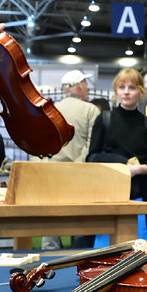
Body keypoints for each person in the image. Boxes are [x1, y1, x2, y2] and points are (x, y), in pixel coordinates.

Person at [88, 68, 147, 239]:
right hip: (108, 192)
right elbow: (91, 157)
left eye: (132, 87)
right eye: (122, 87)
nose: (126, 92)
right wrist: (120, 163)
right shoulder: (104, 119)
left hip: (140, 193)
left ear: (140, 91)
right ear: (116, 91)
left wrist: (138, 169)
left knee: (140, 248)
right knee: (105, 249)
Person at [40, 70, 100, 250]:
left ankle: (48, 256)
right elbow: (92, 143)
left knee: (51, 216)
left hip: (52, 172)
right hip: (79, 172)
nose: (87, 89)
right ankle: (79, 255)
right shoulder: (90, 110)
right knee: (79, 217)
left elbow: (41, 142)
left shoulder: (50, 110)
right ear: (79, 86)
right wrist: (79, 163)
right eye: (86, 85)